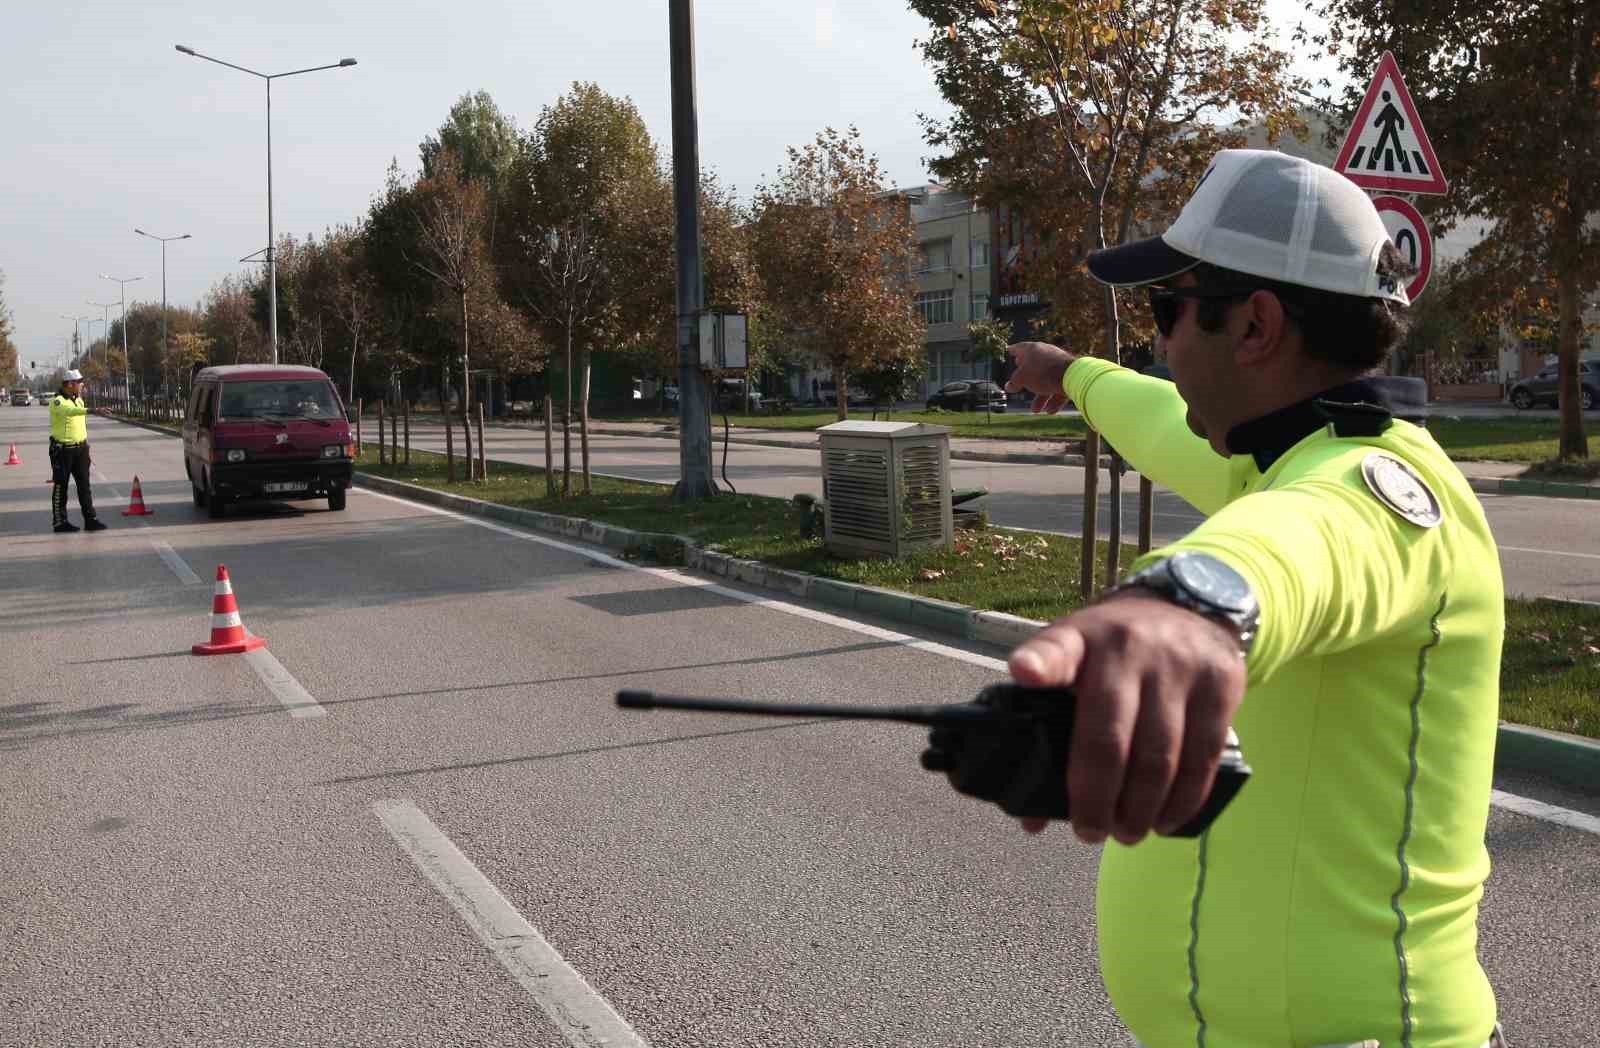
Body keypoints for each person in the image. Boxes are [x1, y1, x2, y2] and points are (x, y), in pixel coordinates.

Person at [1004, 150, 1505, 1048]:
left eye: (1168, 311)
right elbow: (1158, 418)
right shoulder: (1278, 452)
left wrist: (1176, 616)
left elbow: (1295, 553)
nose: (1159, 342)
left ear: (1255, 326)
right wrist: (1069, 372)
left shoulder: (1375, 488)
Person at [48, 369, 106, 533]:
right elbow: (69, 412)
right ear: (70, 384)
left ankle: (90, 519)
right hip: (63, 451)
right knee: (61, 486)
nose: (82, 385)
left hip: (80, 450)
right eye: (79, 383)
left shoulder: (78, 400)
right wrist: (91, 410)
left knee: (84, 486)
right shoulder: (57, 401)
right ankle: (60, 522)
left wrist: (85, 445)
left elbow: (80, 423)